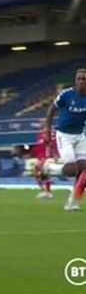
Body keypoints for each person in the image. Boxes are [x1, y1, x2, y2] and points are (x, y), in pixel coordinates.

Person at [41, 69, 86, 211]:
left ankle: (71, 203)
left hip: (79, 135)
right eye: (78, 78)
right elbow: (50, 112)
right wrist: (48, 133)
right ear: (75, 80)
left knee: (83, 170)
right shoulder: (66, 95)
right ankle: (51, 168)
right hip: (64, 135)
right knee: (72, 170)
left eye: (84, 79)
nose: (81, 81)